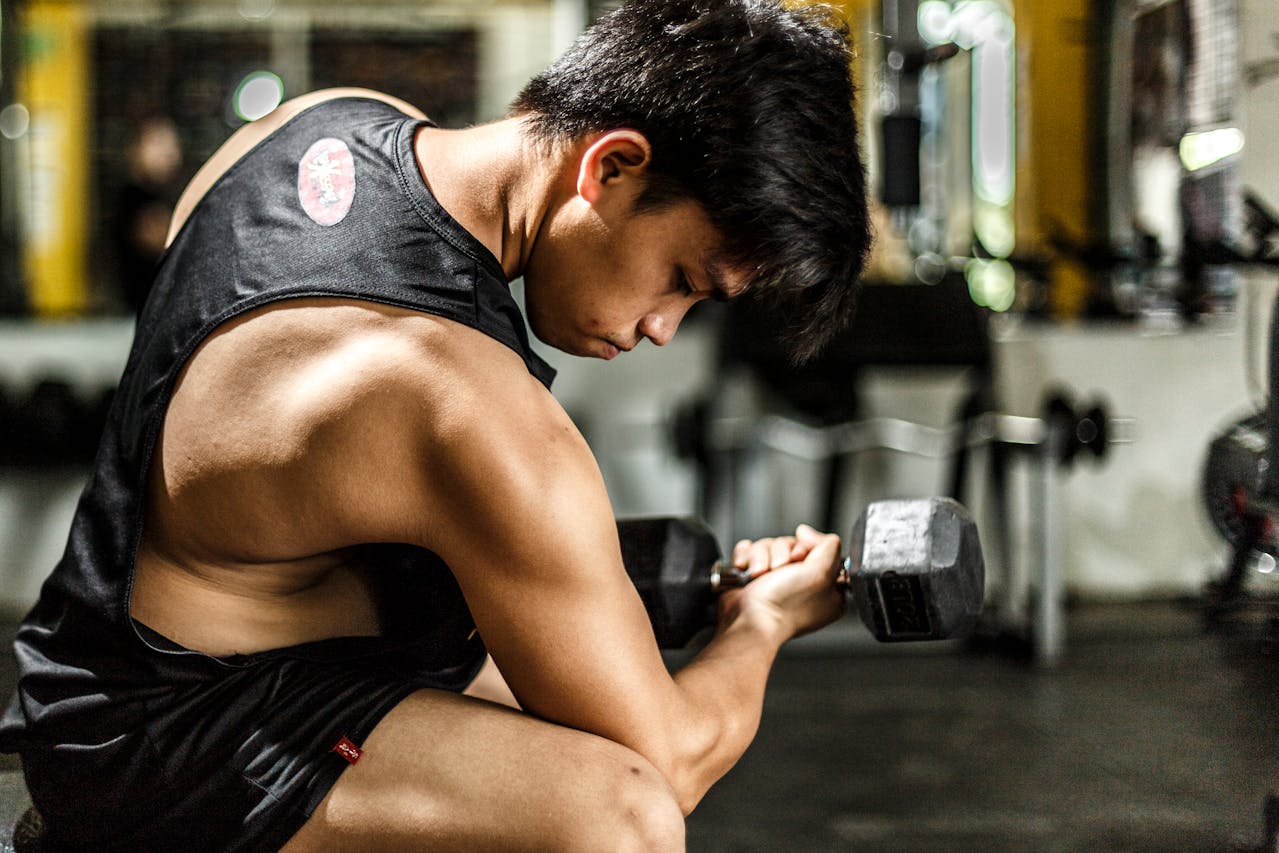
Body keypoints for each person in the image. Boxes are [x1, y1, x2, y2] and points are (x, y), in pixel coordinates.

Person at [0, 0, 871, 849]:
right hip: (159, 741)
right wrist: (761, 621)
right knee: (620, 811)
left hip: (87, 661)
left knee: (549, 695)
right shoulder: (460, 402)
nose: (660, 326)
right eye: (682, 278)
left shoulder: (320, 125)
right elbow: (672, 757)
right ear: (610, 165)